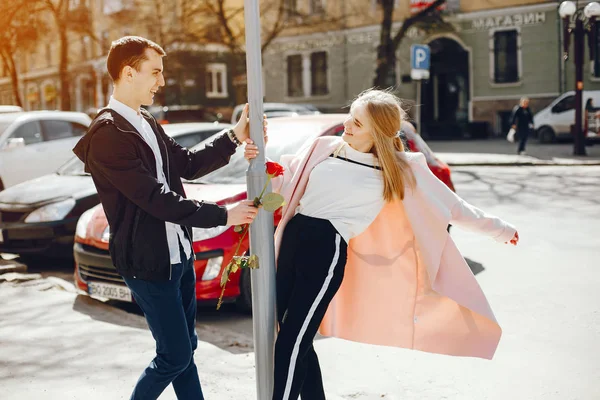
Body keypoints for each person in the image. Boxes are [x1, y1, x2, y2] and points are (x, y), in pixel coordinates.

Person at [247, 89, 519, 400]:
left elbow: (453, 206)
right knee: (290, 336)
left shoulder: (400, 170)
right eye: (350, 116)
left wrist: (500, 229)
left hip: (326, 250)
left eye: (358, 123)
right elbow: (287, 181)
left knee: (293, 340)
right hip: (292, 240)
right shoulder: (324, 148)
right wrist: (261, 165)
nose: (347, 125)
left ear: (377, 132)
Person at [73, 36, 266, 400]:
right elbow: (155, 199)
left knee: (184, 350)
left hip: (178, 254)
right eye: (155, 72)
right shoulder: (108, 135)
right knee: (174, 354)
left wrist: (235, 136)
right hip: (147, 263)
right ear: (129, 73)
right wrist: (224, 215)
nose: (161, 82)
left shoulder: (145, 121)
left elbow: (187, 163)